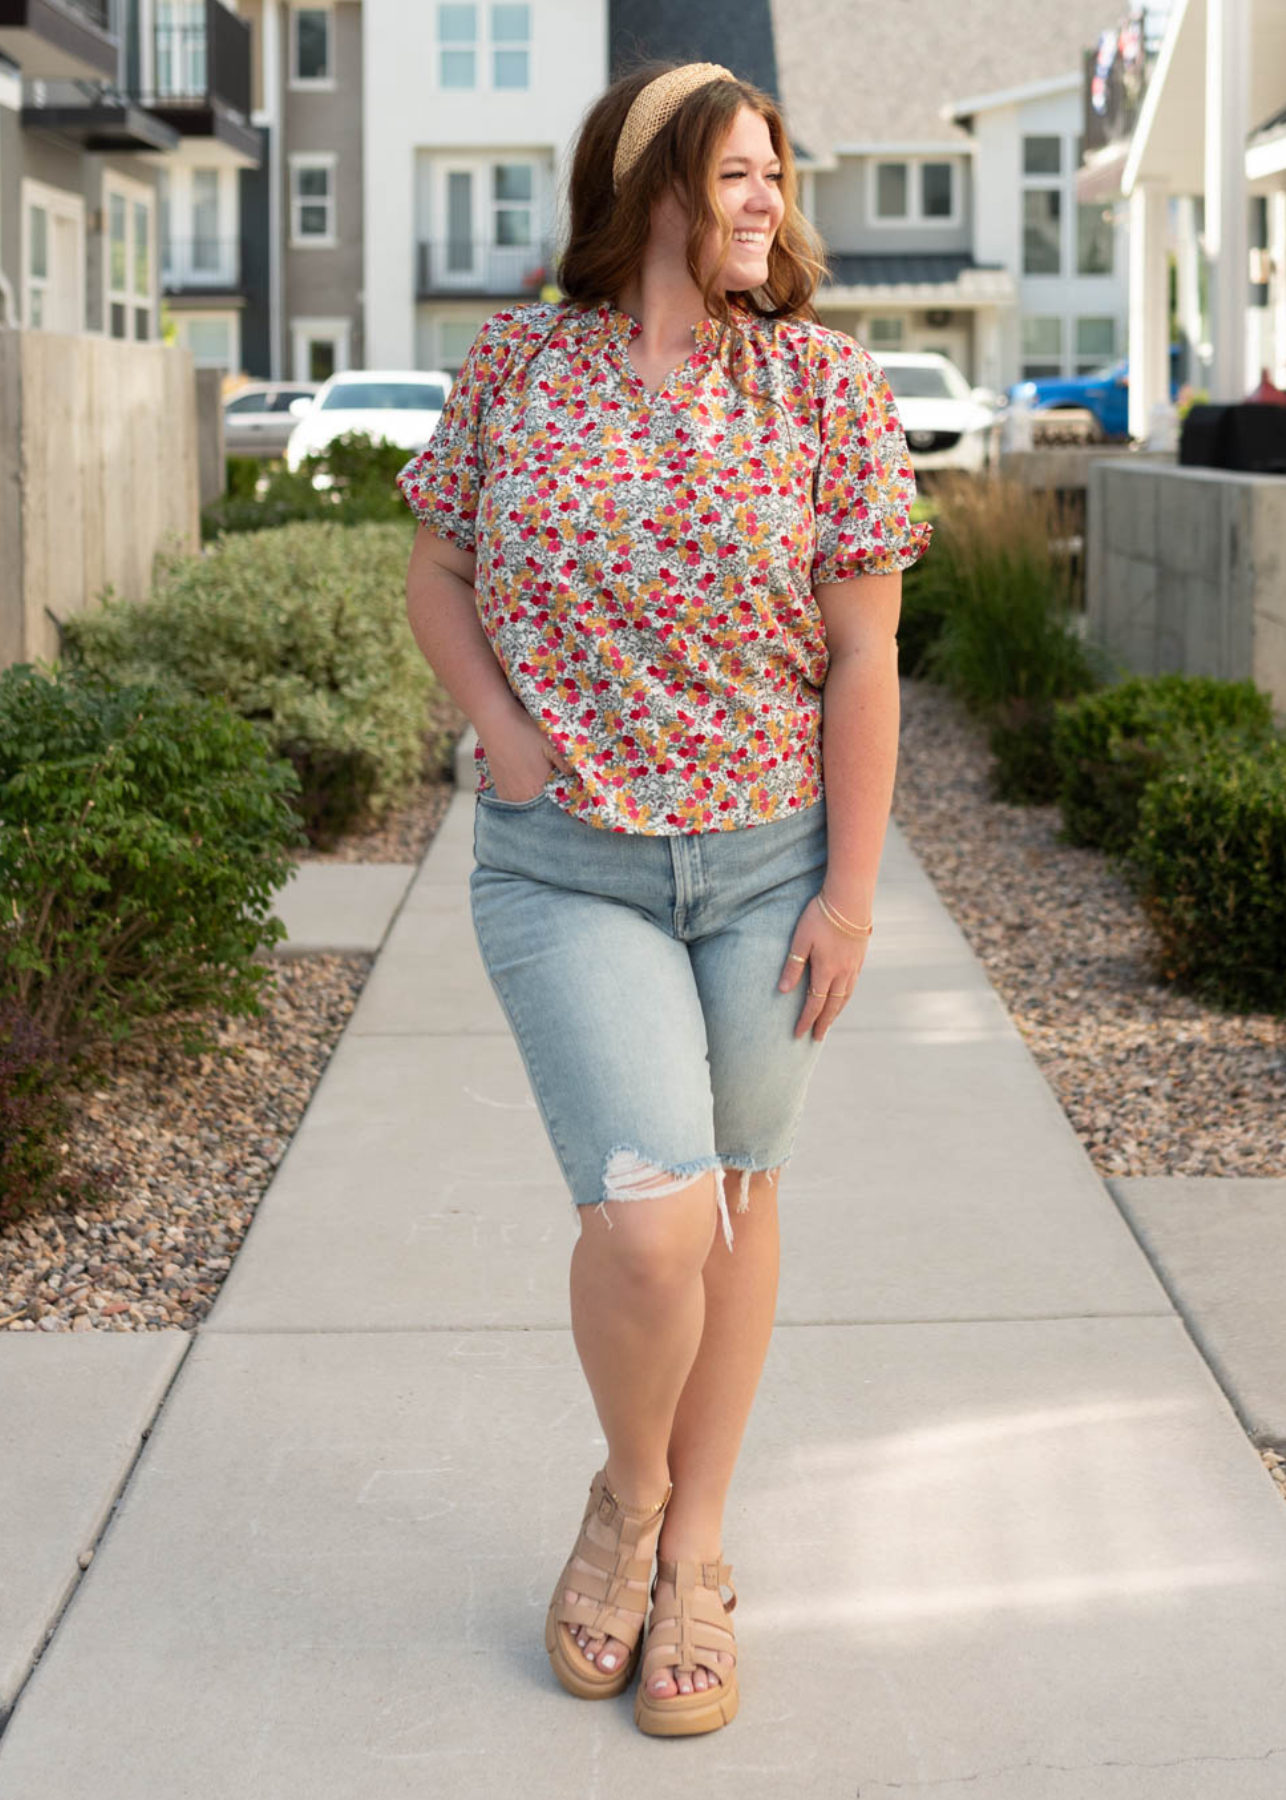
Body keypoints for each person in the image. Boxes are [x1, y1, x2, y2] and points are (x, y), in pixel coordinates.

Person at [397, 59, 932, 1739]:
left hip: (769, 867)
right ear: (647, 188)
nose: (766, 201)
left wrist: (848, 899)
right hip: (570, 869)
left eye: (778, 174)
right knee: (645, 1226)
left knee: (736, 1197)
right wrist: (501, 734)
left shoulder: (825, 390)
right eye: (735, 174)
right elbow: (436, 567)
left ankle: (698, 1549)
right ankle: (631, 1499)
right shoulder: (516, 365)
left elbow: (863, 660)